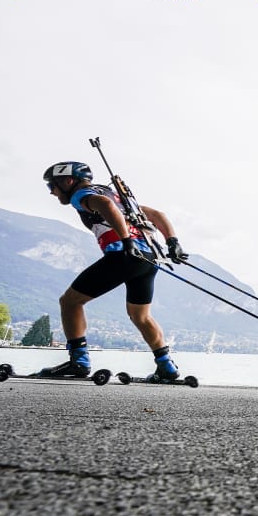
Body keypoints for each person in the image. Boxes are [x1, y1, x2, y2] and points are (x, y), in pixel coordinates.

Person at [42, 161, 186, 380]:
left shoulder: (81, 195)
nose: (51, 192)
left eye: (51, 186)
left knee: (70, 302)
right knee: (141, 315)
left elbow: (104, 206)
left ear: (68, 181)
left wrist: (126, 241)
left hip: (123, 256)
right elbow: (155, 214)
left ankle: (79, 362)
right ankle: (166, 366)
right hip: (148, 259)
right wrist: (173, 242)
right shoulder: (116, 196)